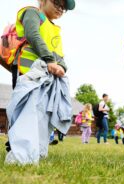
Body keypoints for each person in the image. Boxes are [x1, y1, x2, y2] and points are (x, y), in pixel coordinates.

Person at [4, 0, 75, 163]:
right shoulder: (32, 13)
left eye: (63, 8)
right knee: (22, 109)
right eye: (57, 3)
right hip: (27, 72)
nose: (60, 9)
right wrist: (49, 59)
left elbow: (59, 54)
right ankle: (16, 149)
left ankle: (35, 148)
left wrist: (62, 66)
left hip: (46, 76)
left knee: (40, 112)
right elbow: (33, 34)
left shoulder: (55, 29)